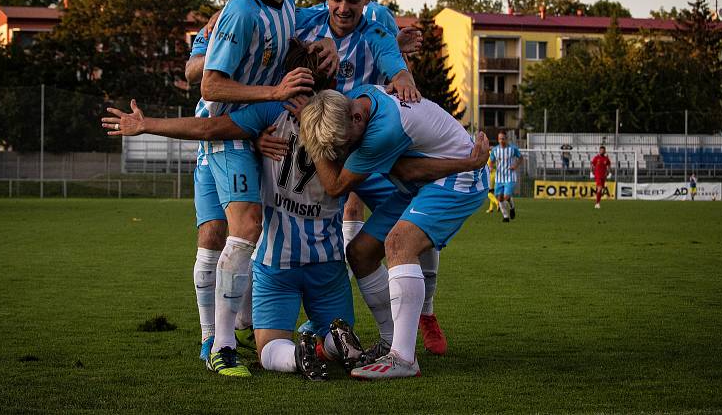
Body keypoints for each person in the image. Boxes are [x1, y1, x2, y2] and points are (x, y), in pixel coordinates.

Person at [102, 93, 489, 380]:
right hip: (328, 264)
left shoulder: (272, 116)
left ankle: (288, 351)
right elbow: (390, 179)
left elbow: (211, 128)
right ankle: (335, 344)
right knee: (361, 272)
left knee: (269, 346)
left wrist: (149, 124)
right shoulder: (350, 137)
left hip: (275, 263)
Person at [197, 0, 340, 377]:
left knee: (257, 229)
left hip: (257, 128)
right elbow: (210, 84)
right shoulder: (241, 11)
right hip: (225, 130)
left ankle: (252, 328)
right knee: (247, 225)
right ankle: (220, 347)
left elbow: (279, 52)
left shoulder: (286, 4)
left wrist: (316, 47)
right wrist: (275, 94)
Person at [298, 86, 490, 379]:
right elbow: (406, 170)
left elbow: (336, 185)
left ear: (357, 118)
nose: (342, 152)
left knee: (399, 243)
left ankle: (403, 358)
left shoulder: (383, 131)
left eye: (345, 144)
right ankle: (391, 342)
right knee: (360, 253)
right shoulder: (360, 96)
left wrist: (311, 139)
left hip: (457, 179)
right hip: (424, 180)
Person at [185, 0, 258, 361]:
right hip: (212, 140)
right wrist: (217, 39)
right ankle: (209, 335)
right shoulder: (219, 25)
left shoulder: (277, 29)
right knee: (212, 234)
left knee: (250, 236)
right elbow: (193, 72)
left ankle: (243, 325)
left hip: (253, 139)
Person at [490, 131, 522, 222]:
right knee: (499, 197)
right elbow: (492, 160)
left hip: (510, 176)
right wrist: (491, 167)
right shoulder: (495, 150)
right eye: (499, 139)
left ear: (506, 139)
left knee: (506, 197)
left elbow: (521, 158)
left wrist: (515, 166)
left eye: (503, 139)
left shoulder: (512, 149)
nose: (501, 141)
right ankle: (505, 216)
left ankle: (512, 207)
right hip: (499, 177)